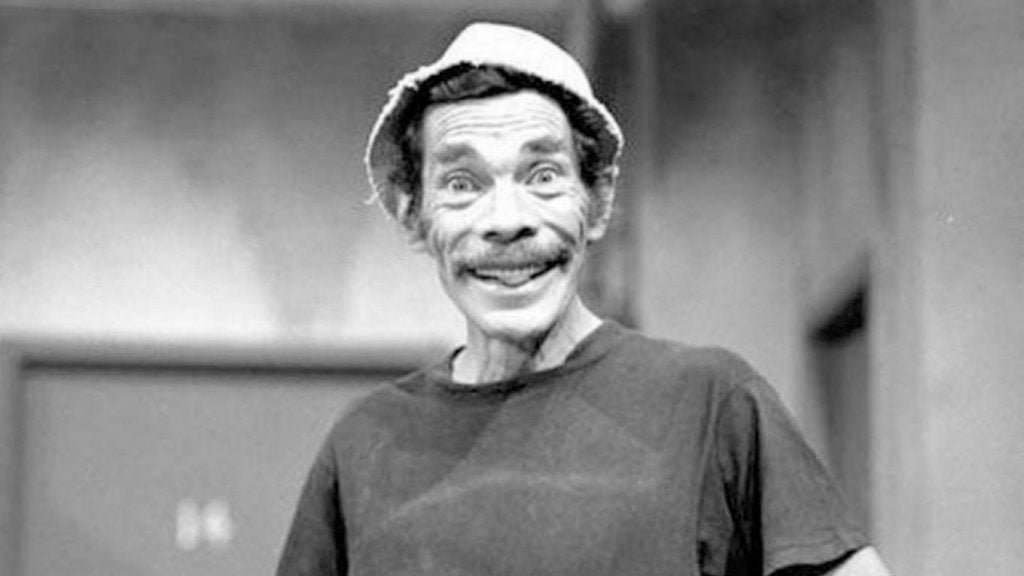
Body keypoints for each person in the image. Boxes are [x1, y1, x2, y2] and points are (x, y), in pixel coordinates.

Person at [276, 22, 891, 576]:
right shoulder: (366, 444)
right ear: (413, 216)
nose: (507, 221)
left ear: (597, 202)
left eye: (542, 176)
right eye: (462, 184)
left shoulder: (711, 403)